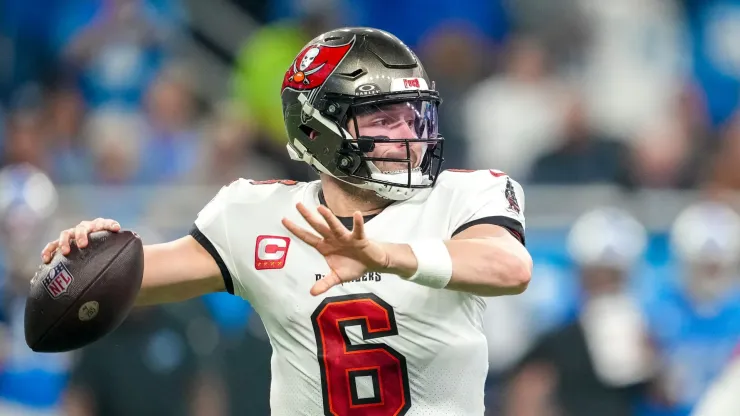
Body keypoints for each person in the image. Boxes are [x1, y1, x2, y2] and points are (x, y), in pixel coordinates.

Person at [39, 27, 533, 415]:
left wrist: (386, 256)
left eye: (414, 117)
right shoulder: (256, 215)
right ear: (318, 130)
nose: (409, 134)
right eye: (384, 119)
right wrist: (89, 255)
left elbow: (509, 267)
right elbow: (126, 282)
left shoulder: (464, 194)